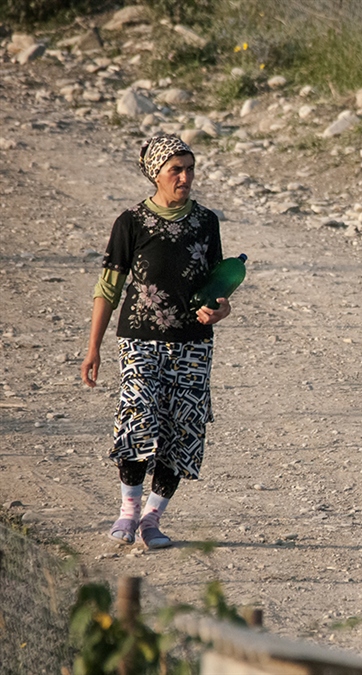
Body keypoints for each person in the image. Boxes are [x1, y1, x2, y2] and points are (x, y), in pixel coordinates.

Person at [81, 134, 233, 549]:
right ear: (156, 175)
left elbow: (217, 284)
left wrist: (221, 309)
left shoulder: (205, 222)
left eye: (189, 168)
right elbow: (108, 287)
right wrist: (93, 347)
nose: (185, 177)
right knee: (138, 419)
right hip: (140, 340)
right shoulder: (130, 222)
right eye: (176, 170)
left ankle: (152, 519)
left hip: (193, 343)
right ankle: (128, 512)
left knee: (183, 428)